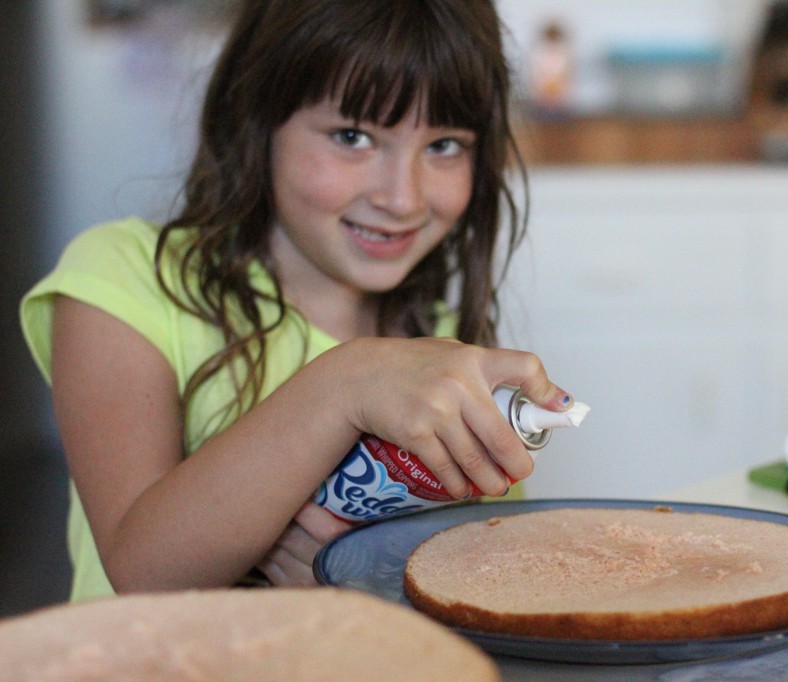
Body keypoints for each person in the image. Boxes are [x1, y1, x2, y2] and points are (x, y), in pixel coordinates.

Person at [20, 0, 575, 601]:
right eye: (352, 136)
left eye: (444, 146)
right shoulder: (124, 280)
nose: (402, 197)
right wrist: (347, 382)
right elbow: (145, 572)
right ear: (256, 119)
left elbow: (479, 599)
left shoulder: (449, 364)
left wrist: (370, 576)